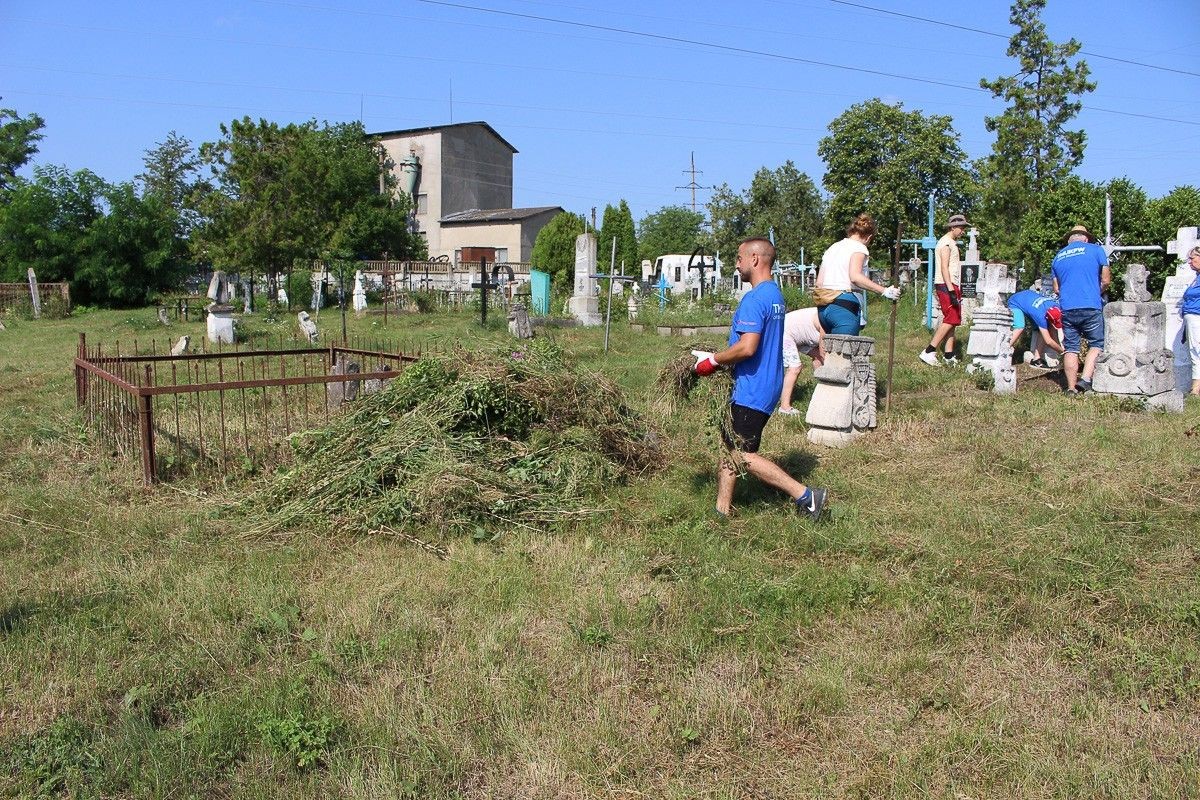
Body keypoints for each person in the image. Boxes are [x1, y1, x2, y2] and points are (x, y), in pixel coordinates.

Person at [692, 237, 828, 521]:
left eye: (739, 257)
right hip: (765, 384)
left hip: (751, 388)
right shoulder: (774, 294)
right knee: (730, 447)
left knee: (742, 455)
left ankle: (806, 496)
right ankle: (722, 510)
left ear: (754, 259)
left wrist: (713, 360)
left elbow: (747, 347)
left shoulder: (754, 299)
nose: (736, 264)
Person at [813, 213, 901, 336]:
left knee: (829, 348)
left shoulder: (833, 248)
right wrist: (884, 291)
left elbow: (819, 283)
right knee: (846, 348)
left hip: (824, 308)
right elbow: (855, 277)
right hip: (844, 308)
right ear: (869, 237)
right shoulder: (859, 248)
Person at [1052, 224, 1111, 395]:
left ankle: (1071, 388)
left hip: (1067, 307)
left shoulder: (1058, 257)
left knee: (1071, 347)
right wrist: (1095, 292)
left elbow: (1056, 288)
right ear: (1085, 239)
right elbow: (1106, 280)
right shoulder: (1096, 250)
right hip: (1090, 305)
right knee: (1097, 343)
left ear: (1069, 241)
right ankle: (1085, 379)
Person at [919, 214, 970, 366]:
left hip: (951, 284)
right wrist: (951, 290)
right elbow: (944, 268)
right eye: (961, 228)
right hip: (946, 284)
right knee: (951, 318)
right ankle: (929, 351)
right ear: (953, 227)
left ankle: (949, 355)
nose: (963, 231)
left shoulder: (951, 242)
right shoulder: (946, 243)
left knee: (953, 320)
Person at [777, 307, 825, 415]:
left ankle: (821, 394)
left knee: (818, 357)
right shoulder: (827, 322)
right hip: (785, 331)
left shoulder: (831, 315)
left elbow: (820, 357)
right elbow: (824, 354)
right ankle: (784, 407)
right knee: (795, 367)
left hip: (800, 335)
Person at [1007, 287, 1065, 367]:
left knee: (1043, 329)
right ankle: (1004, 349)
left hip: (1029, 300)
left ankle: (1036, 359)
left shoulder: (1057, 306)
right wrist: (1063, 352)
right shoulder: (1040, 316)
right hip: (1015, 301)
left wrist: (1061, 349)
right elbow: (1048, 341)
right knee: (1020, 326)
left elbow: (1053, 332)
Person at [1182, 246, 1200, 397]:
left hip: (1197, 317)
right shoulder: (1197, 277)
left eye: (1192, 258)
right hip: (1192, 318)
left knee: (1197, 351)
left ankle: (1195, 389)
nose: (1189, 262)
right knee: (1195, 352)